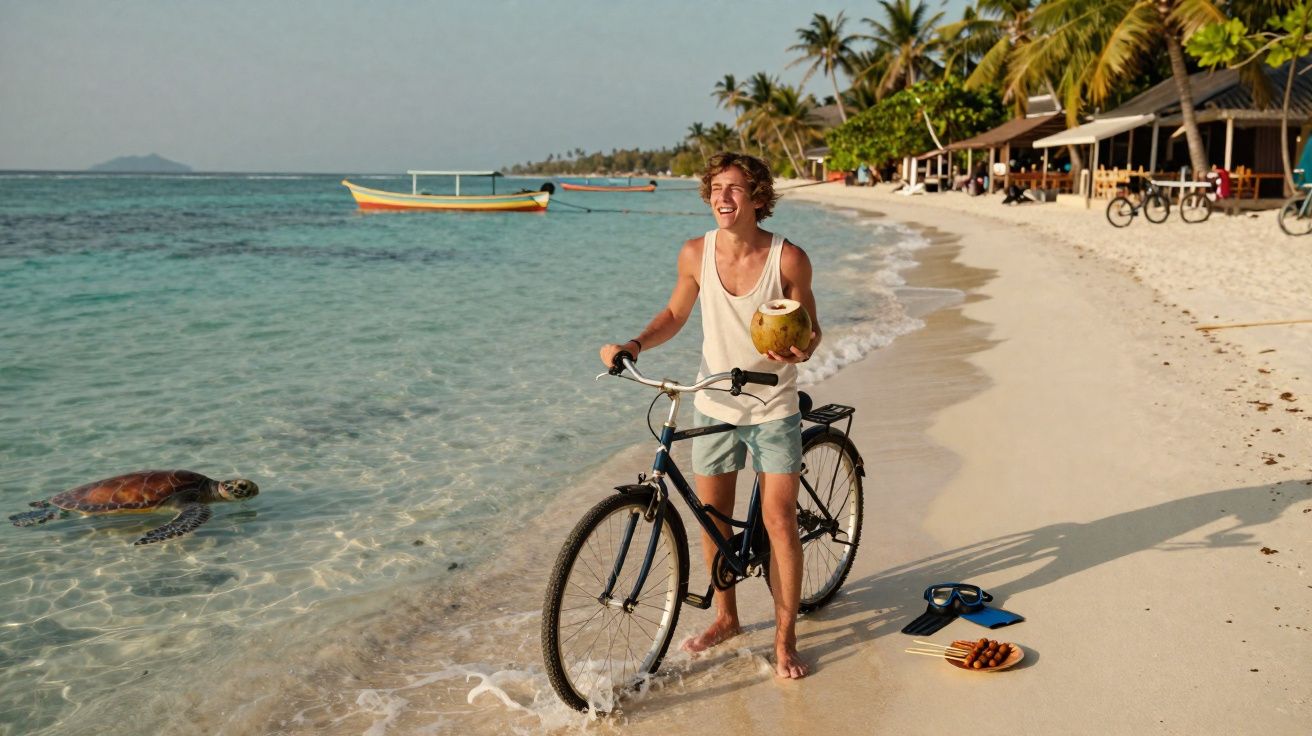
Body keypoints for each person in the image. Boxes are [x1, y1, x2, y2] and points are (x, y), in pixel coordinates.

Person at [599, 152, 821, 680]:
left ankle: (785, 641)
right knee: (712, 521)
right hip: (714, 400)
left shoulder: (788, 259)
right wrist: (633, 345)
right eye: (717, 187)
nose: (723, 197)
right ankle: (727, 617)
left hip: (772, 405)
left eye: (736, 188)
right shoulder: (696, 253)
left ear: (759, 198)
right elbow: (675, 313)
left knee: (778, 520)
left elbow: (811, 328)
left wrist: (804, 349)